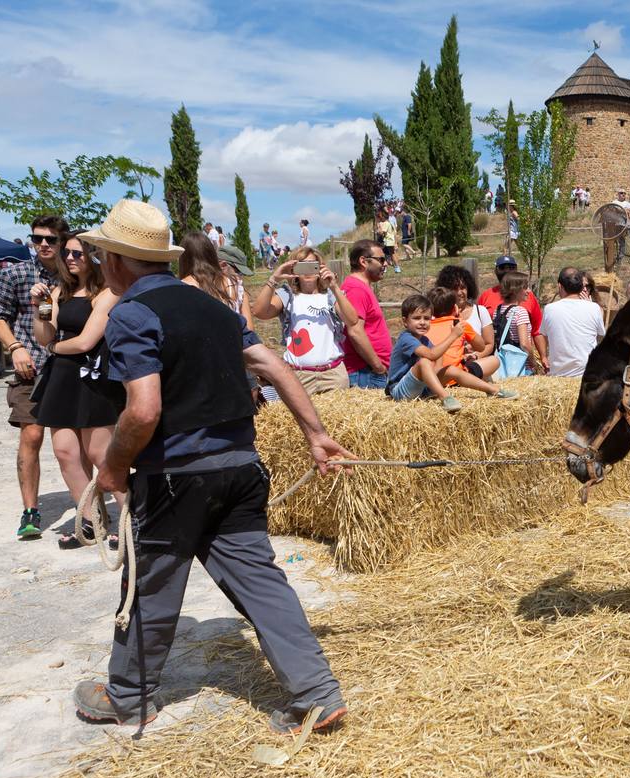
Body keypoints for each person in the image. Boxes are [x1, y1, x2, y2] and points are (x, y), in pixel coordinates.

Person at [73, 198, 352, 734]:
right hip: (241, 469)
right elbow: (271, 363)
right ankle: (315, 694)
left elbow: (144, 408)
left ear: (116, 262)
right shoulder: (217, 309)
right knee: (262, 581)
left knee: (150, 584)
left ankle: (128, 694)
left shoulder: (132, 314)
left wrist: (111, 468)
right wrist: (316, 434)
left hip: (174, 477)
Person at [30, 236, 125, 548]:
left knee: (101, 454)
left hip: (93, 377)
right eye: (67, 252)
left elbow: (86, 341)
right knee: (65, 453)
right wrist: (41, 306)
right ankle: (90, 520)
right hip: (62, 378)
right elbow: (44, 335)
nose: (70, 258)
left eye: (78, 253)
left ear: (94, 257)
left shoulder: (108, 292)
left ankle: (131, 518)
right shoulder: (59, 292)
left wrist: (56, 347)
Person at [0, 213, 66, 539]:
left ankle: (91, 509)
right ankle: (30, 511)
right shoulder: (17, 274)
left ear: (62, 240)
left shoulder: (75, 274)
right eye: (37, 239)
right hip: (30, 367)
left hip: (68, 368)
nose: (43, 244)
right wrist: (15, 347)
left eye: (50, 239)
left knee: (72, 446)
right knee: (31, 437)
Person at [252, 247, 381, 395]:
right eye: (302, 265)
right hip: (299, 375)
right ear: (294, 269)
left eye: (312, 265)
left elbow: (352, 320)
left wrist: (334, 286)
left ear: (320, 268)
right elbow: (259, 312)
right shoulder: (287, 295)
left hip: (333, 374)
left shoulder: (330, 295)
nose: (308, 271)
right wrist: (274, 278)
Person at [478, 255, 547, 370]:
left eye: (511, 267)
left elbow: (537, 330)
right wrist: (534, 364)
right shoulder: (486, 296)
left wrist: (543, 356)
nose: (507, 270)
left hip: (503, 361)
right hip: (517, 363)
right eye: (503, 267)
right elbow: (524, 344)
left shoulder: (500, 309)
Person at [341, 239, 392, 389]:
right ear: (363, 261)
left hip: (369, 371)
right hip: (366, 373)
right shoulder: (356, 289)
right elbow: (355, 331)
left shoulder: (360, 287)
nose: (385, 264)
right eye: (381, 259)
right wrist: (378, 367)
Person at [178, 232, 255, 332]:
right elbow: (249, 331)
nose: (239, 277)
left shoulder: (181, 288)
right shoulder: (236, 286)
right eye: (238, 272)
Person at [540, 267, 606, 376]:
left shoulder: (549, 309)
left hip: (558, 374)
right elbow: (600, 336)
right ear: (581, 286)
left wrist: (543, 356)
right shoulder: (595, 308)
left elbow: (543, 334)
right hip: (587, 373)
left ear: (560, 286)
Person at [491, 271, 547, 373]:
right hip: (521, 366)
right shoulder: (520, 312)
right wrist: (534, 364)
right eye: (525, 287)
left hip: (504, 363)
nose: (528, 291)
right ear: (515, 290)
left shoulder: (498, 310)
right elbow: (524, 344)